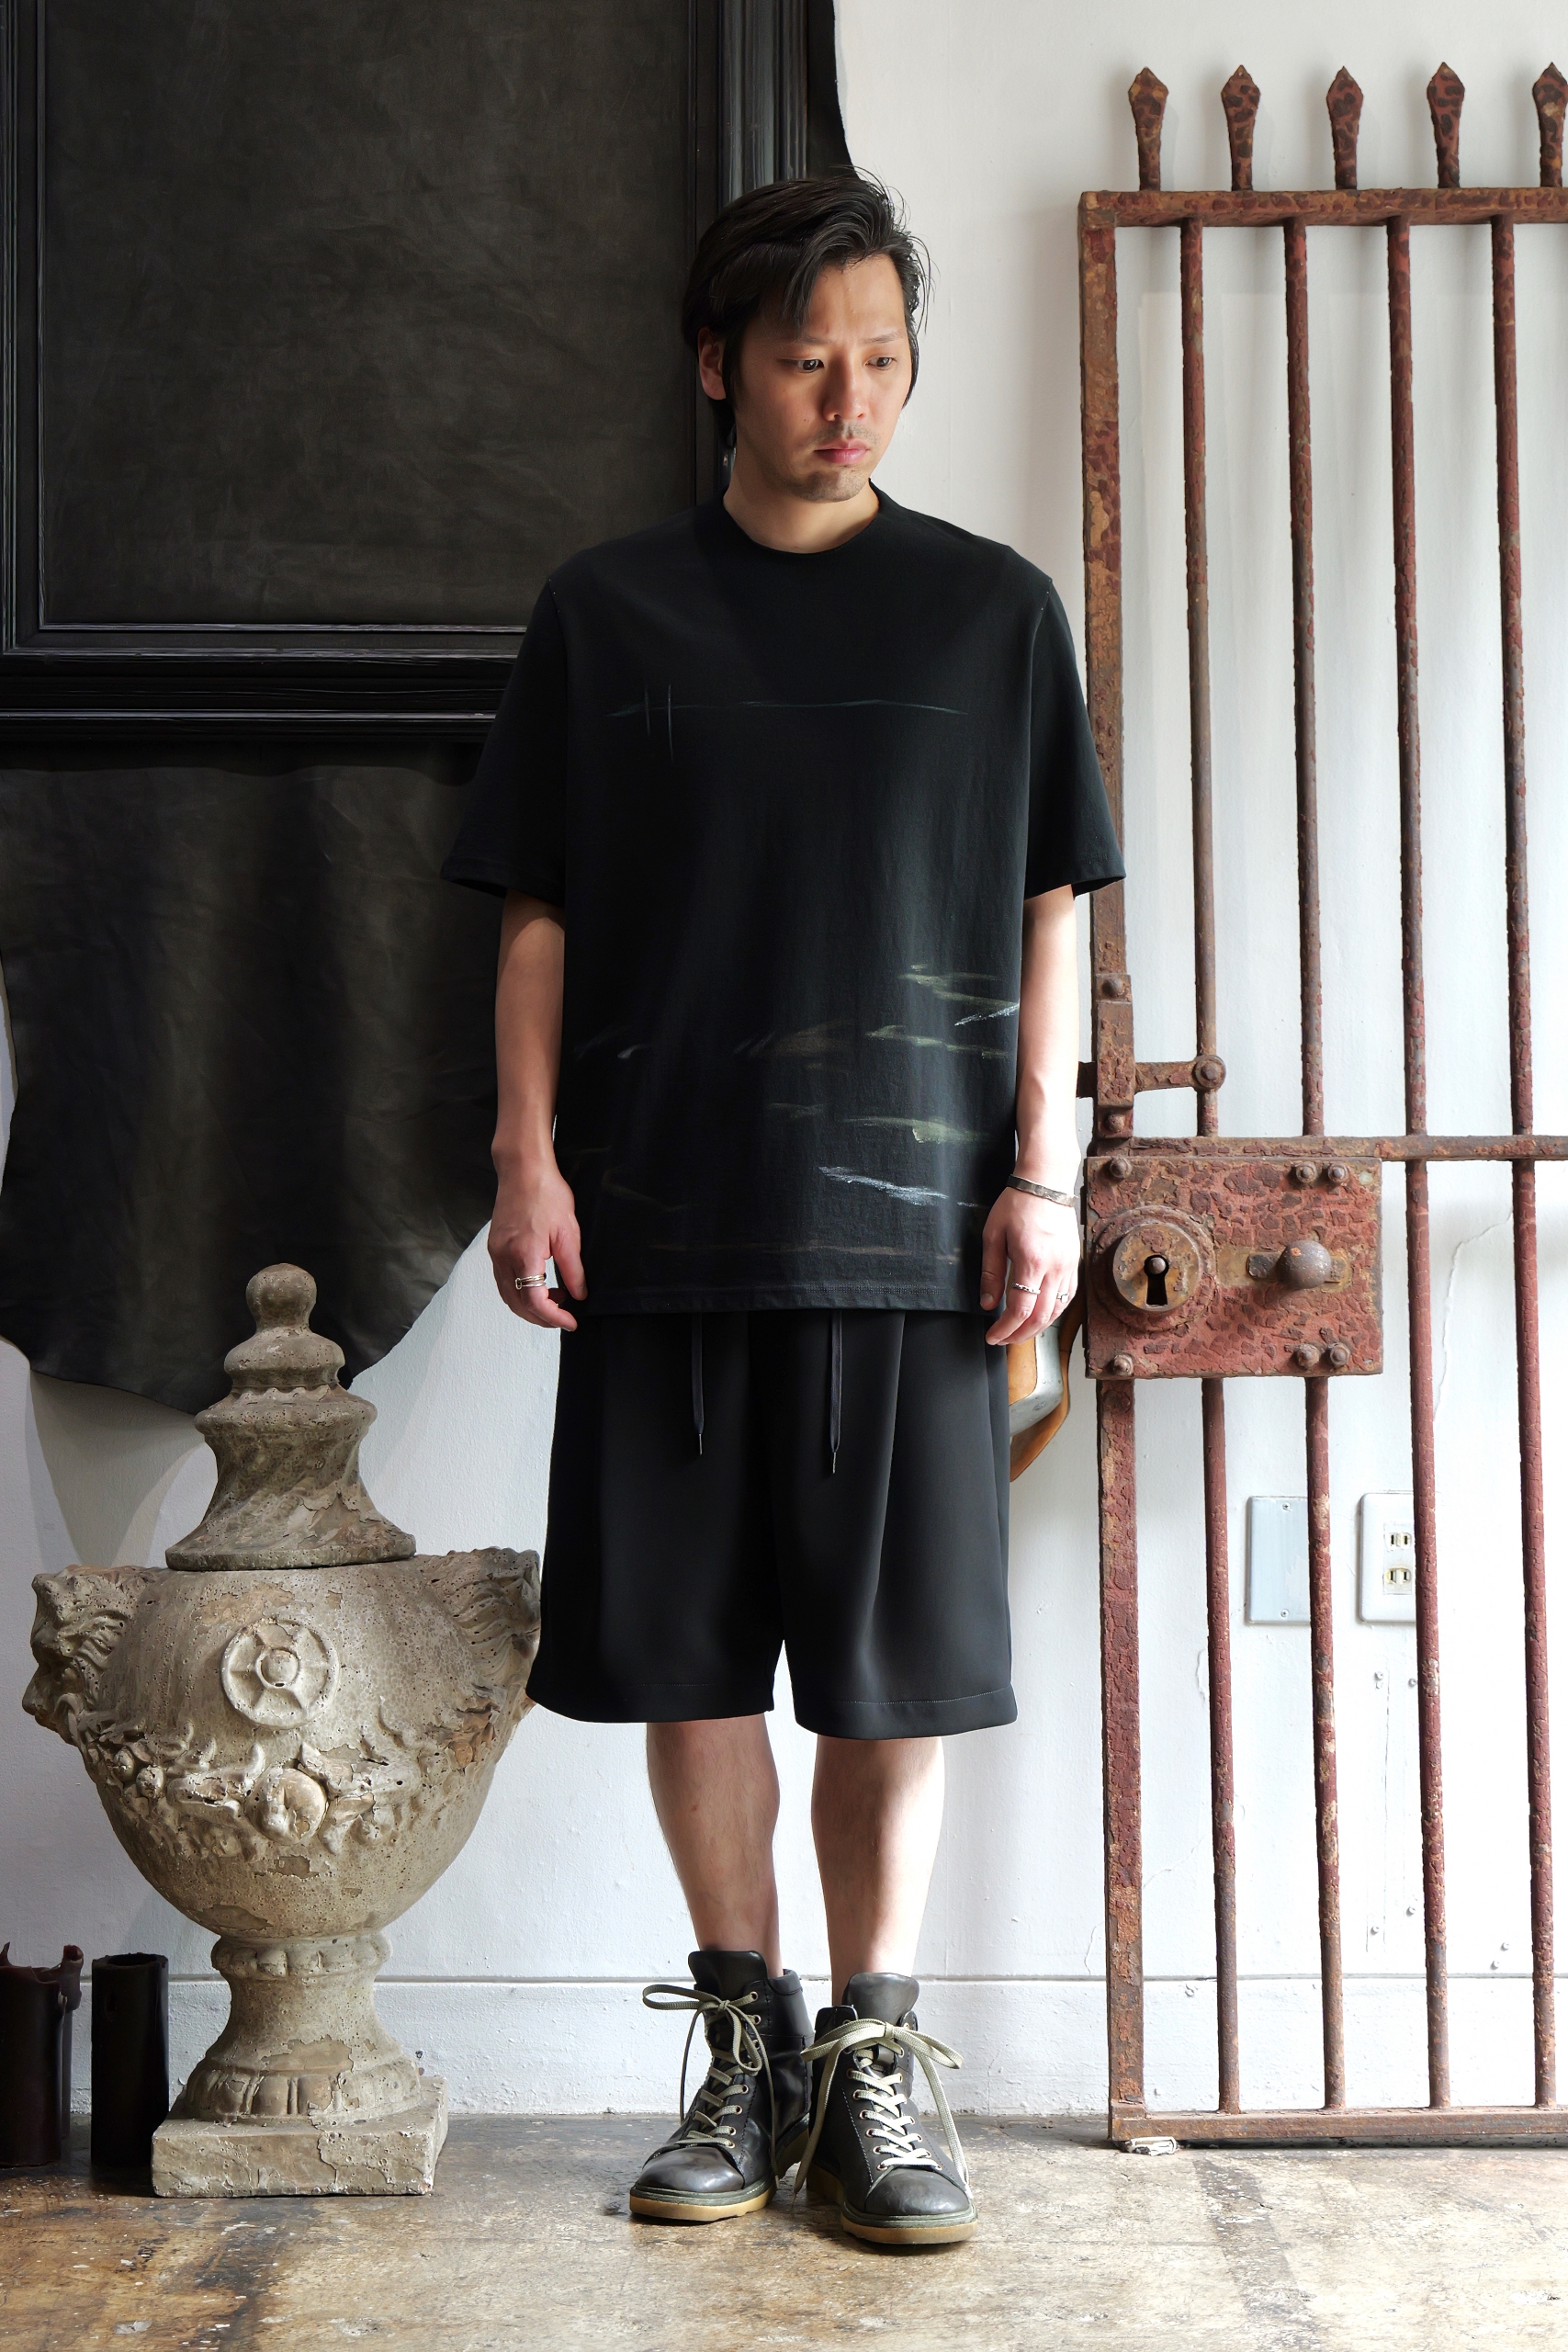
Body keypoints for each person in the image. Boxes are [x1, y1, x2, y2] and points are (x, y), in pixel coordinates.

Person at [442, 171, 1122, 2249]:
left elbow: (1050, 910)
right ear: (718, 366)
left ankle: (873, 2064)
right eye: (810, 359)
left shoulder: (992, 613)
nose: (852, 399)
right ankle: (744, 2051)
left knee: (894, 1672)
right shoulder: (607, 611)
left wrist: (1044, 1170)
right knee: (689, 1662)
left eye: (884, 359)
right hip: (660, 1217)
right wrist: (528, 1155)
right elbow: (539, 910)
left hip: (919, 1231)